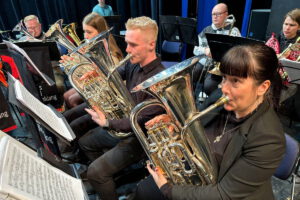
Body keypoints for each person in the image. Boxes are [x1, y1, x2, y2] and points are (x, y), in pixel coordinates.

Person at [133, 43, 286, 200]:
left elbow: (224, 194)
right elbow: (195, 127)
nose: (223, 87)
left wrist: (167, 189)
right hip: (201, 179)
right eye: (224, 78)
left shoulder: (268, 138)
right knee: (143, 190)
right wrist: (176, 123)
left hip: (229, 194)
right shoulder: (220, 98)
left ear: (262, 87)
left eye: (235, 81)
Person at [78, 16, 165, 200]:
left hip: (142, 138)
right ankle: (112, 181)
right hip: (126, 124)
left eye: (133, 45)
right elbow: (116, 73)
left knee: (95, 172)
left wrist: (108, 122)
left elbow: (137, 122)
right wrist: (97, 73)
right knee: (85, 142)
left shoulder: (159, 80)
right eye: (126, 43)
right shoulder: (134, 63)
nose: (127, 50)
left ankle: (105, 181)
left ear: (151, 44)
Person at [62, 12, 123, 109]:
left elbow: (105, 81)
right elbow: (82, 73)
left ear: (101, 32)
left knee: (71, 99)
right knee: (66, 96)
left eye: (89, 32)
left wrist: (82, 60)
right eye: (84, 31)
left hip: (108, 93)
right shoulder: (89, 48)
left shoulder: (111, 54)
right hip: (95, 86)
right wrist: (73, 61)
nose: (85, 36)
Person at [193, 3, 241, 99]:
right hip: (207, 61)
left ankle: (213, 101)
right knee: (193, 72)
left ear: (226, 15)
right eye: (213, 14)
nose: (214, 17)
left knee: (209, 86)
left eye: (218, 14)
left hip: (222, 65)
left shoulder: (234, 31)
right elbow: (195, 49)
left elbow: (238, 52)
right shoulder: (207, 30)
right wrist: (205, 50)